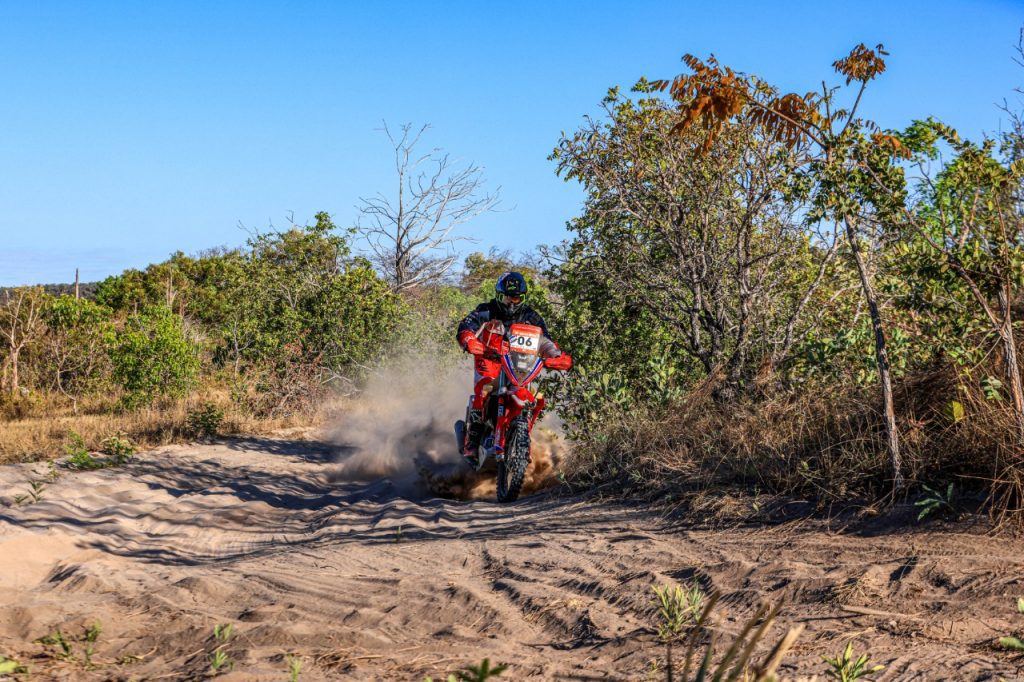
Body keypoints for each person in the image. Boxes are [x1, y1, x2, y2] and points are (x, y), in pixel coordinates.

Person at [456, 271, 571, 459]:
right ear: (499, 295)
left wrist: (557, 356)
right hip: (489, 358)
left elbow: (546, 341)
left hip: (519, 366)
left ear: (522, 298)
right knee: (483, 390)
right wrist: (469, 339)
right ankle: (472, 441)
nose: (511, 302)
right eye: (507, 297)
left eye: (516, 298)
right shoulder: (486, 310)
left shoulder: (531, 316)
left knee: (537, 399)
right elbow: (466, 326)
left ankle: (523, 437)